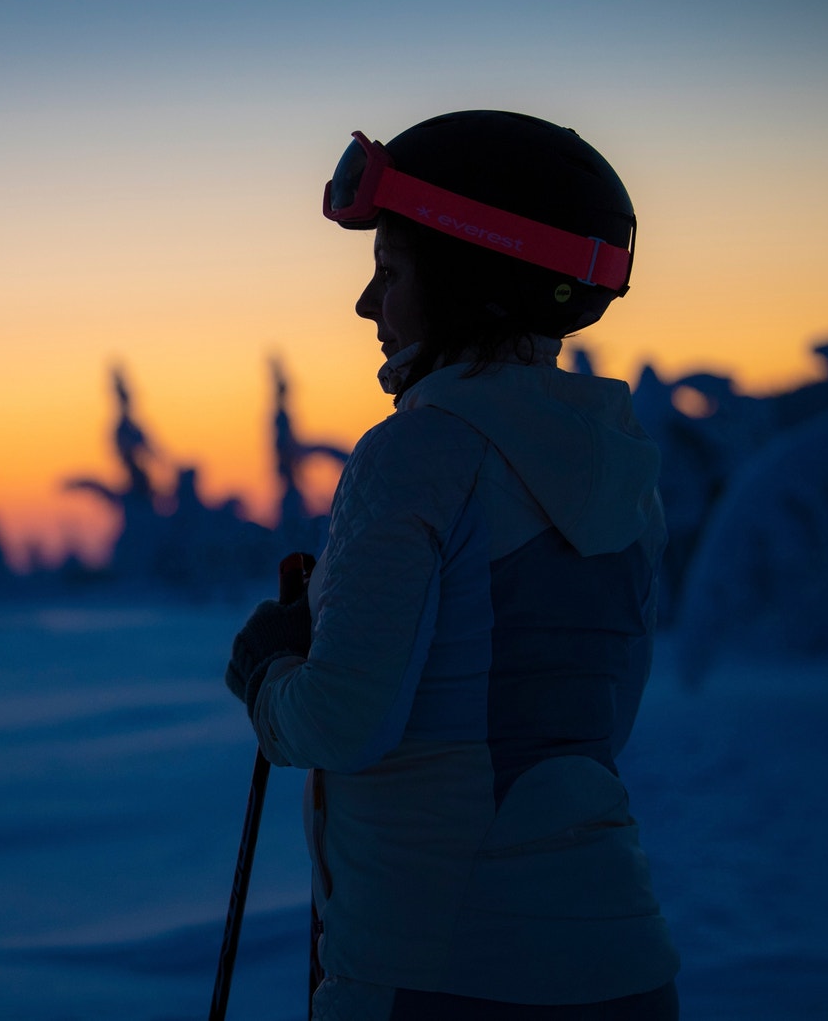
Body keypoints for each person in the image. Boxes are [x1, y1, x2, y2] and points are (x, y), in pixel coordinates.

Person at [225, 111, 679, 1020]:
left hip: (439, 968)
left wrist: (269, 668)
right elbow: (598, 721)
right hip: (623, 962)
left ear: (468, 278)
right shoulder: (619, 460)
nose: (367, 304)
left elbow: (339, 723)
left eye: (389, 272)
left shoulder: (419, 452)